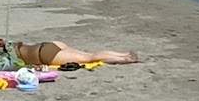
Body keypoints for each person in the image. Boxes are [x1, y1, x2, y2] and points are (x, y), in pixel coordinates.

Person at [11, 40, 139, 66]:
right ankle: (123, 54)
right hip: (47, 45)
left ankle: (125, 58)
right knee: (90, 55)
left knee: (91, 58)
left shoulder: (5, 58)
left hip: (45, 55)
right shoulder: (11, 45)